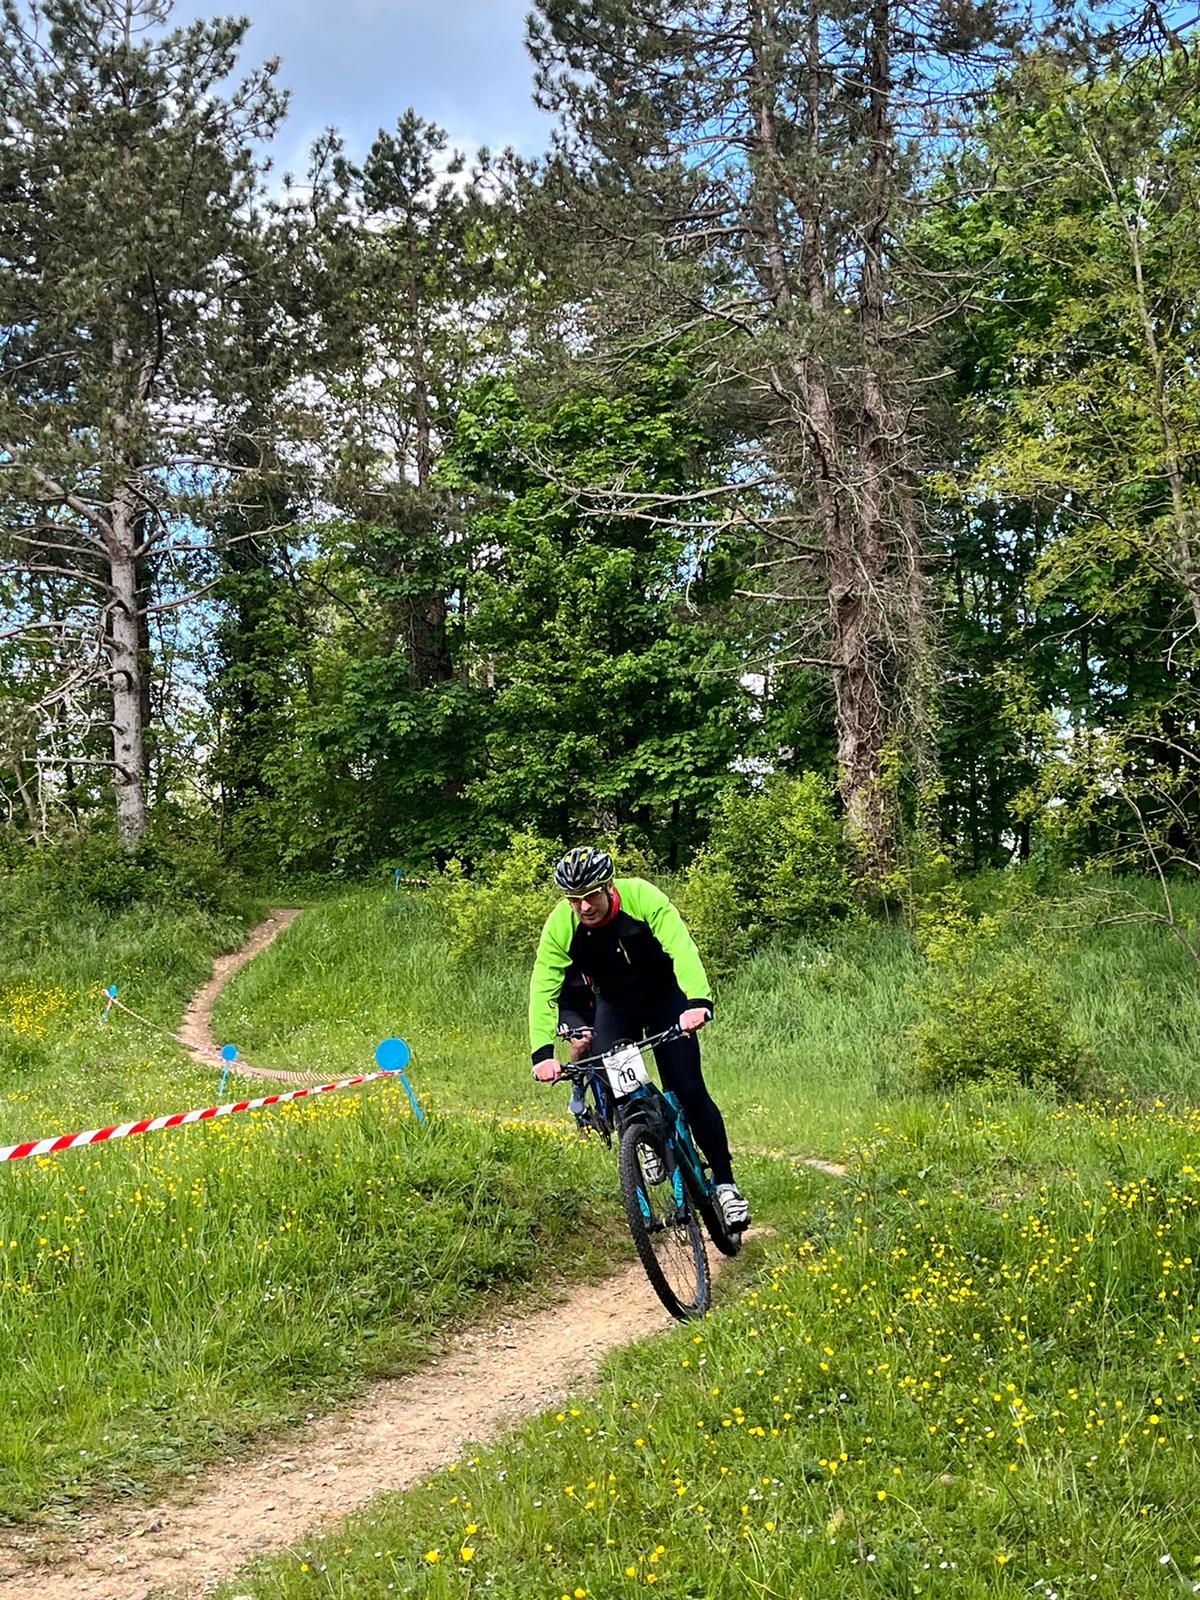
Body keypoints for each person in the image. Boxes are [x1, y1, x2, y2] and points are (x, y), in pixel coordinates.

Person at [528, 844, 750, 1231]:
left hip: (666, 1000)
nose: (583, 907)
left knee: (688, 1088)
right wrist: (542, 1052)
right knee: (622, 1089)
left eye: (590, 896)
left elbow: (681, 946)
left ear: (609, 886)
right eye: (574, 899)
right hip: (616, 1007)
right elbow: (543, 986)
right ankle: (645, 1138)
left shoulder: (641, 896)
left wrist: (697, 1001)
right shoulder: (561, 923)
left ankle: (726, 1186)